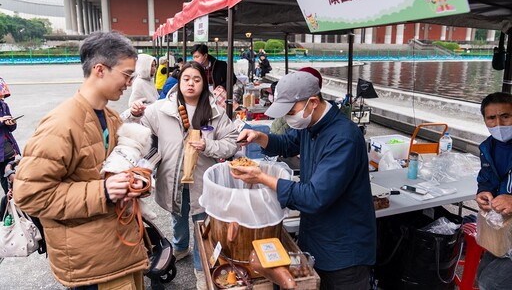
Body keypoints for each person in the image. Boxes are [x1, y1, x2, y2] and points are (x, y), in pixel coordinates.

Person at [13, 31, 148, 289]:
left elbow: (113, 169)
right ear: (100, 69)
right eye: (127, 74)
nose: (129, 83)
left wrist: (135, 179)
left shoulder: (110, 116)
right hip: (92, 264)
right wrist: (104, 191)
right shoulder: (60, 124)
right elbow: (28, 195)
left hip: (117, 250)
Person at [232, 71, 376, 290]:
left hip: (345, 251)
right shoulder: (309, 125)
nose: (288, 118)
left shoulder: (343, 138)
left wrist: (261, 177)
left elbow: (314, 197)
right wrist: (259, 137)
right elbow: (287, 143)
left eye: (291, 111)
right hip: (316, 236)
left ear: (313, 102)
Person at [128, 61, 238, 290]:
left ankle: (201, 267)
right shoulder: (160, 109)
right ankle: (180, 247)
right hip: (172, 177)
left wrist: (208, 145)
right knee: (178, 214)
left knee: (201, 223)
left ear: (204, 84)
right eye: (186, 79)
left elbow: (232, 142)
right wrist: (134, 113)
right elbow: (135, 131)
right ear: (179, 82)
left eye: (197, 80)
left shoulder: (215, 112)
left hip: (202, 180)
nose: (191, 84)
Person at [476, 92, 512, 290]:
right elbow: (486, 178)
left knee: (491, 283)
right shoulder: (488, 147)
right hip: (504, 227)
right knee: (482, 275)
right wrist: (483, 191)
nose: (499, 123)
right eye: (491, 118)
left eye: (505, 116)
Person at [0, 77, 21, 195]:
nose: (2, 98)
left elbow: (11, 128)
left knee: (8, 178)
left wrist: (11, 123)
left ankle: (10, 198)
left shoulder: (4, 105)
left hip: (7, 149)